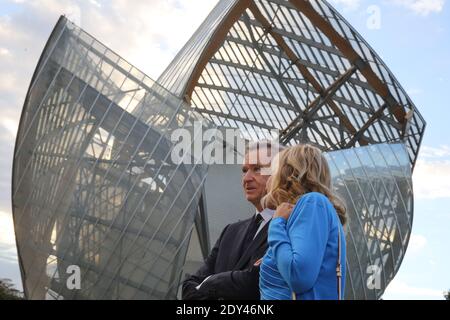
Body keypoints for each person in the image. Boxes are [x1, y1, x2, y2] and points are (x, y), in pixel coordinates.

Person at [181, 141, 283, 300]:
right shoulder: (230, 231)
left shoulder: (289, 227)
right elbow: (189, 285)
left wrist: (209, 283)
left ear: (280, 174)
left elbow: (254, 284)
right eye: (244, 170)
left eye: (257, 169)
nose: (247, 178)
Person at [259, 144, 347, 300]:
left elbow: (298, 275)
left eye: (273, 171)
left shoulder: (313, 203)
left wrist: (276, 224)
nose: (269, 178)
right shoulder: (309, 209)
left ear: (287, 174)